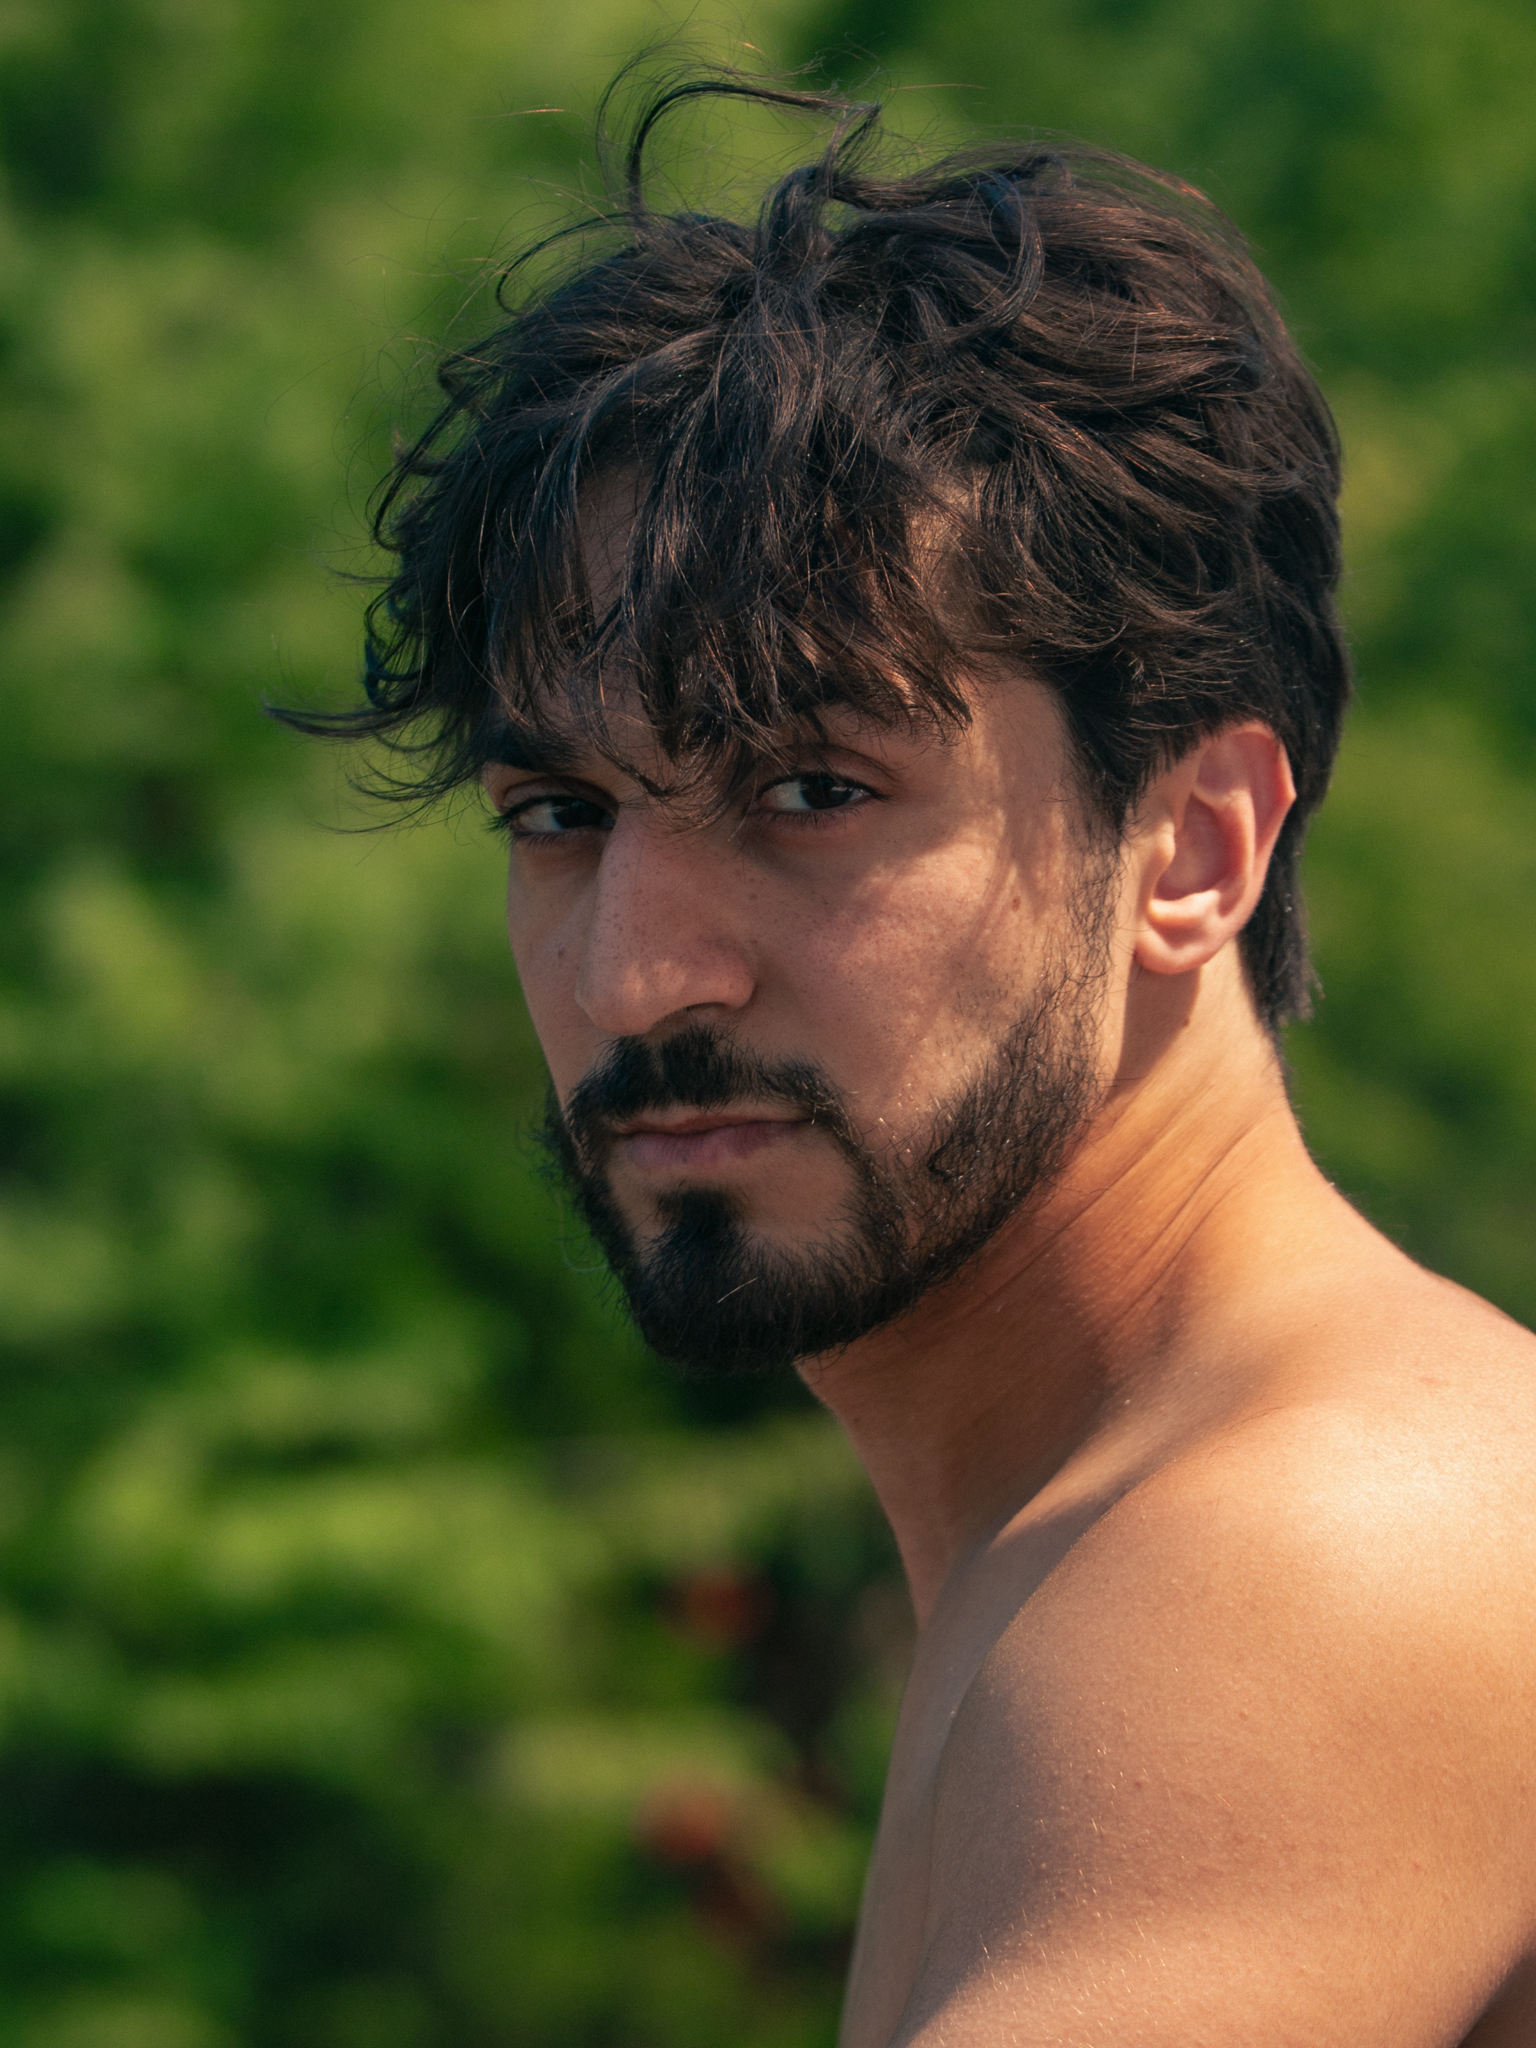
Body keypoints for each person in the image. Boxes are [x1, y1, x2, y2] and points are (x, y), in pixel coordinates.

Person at [283, 73, 1536, 2047]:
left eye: (810, 789)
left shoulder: (1307, 1545)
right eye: (561, 814)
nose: (637, 975)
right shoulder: (1098, 1535)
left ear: (1193, 847)